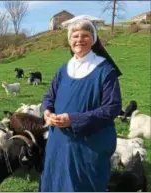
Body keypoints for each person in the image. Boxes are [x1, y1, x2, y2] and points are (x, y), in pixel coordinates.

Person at [39, 16, 122, 192]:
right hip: (59, 142)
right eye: (74, 36)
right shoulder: (63, 69)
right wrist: (47, 111)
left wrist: (73, 119)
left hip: (89, 144)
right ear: (69, 41)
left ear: (93, 38)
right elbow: (49, 97)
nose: (79, 40)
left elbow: (112, 108)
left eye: (85, 35)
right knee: (56, 182)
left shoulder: (105, 70)